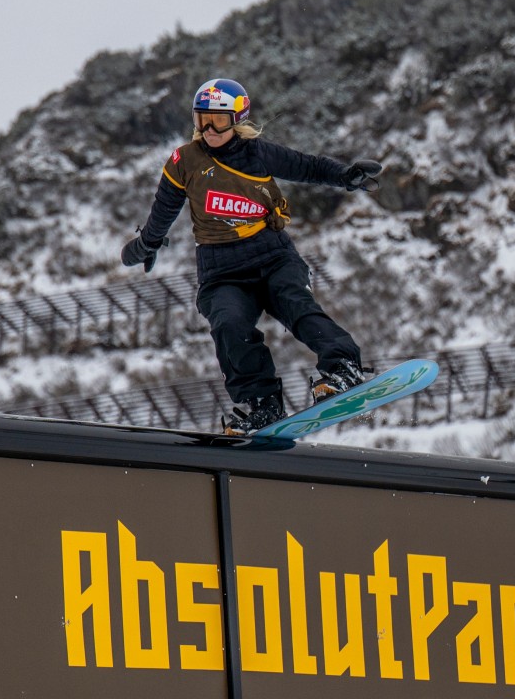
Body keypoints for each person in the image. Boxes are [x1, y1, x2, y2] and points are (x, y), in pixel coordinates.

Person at [121, 77, 382, 435]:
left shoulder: (257, 153)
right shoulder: (185, 161)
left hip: (272, 256)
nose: (209, 129)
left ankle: (343, 369)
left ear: (238, 120)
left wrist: (346, 176)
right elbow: (164, 208)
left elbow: (307, 167)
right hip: (221, 271)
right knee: (229, 325)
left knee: (296, 303)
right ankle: (263, 405)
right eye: (201, 120)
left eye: (218, 120)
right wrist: (146, 245)